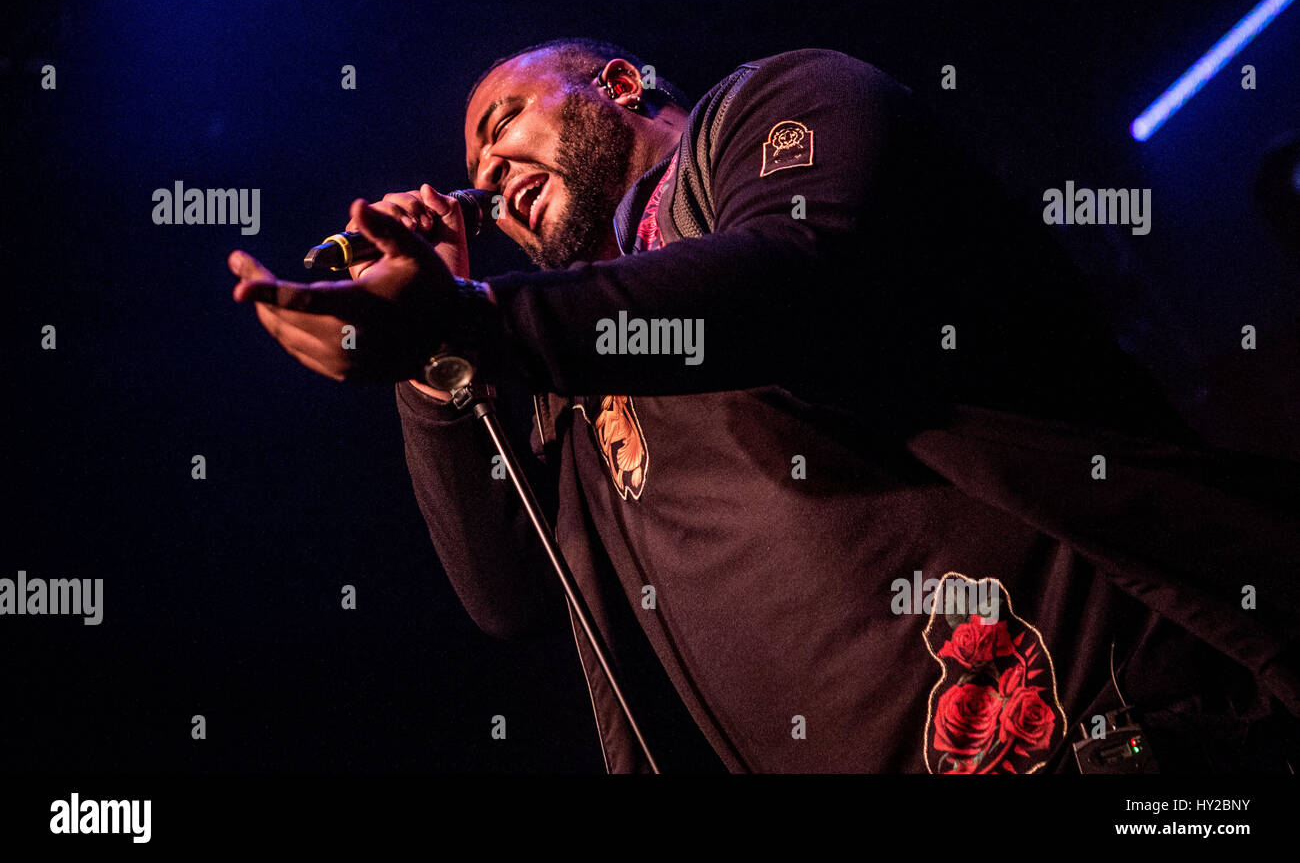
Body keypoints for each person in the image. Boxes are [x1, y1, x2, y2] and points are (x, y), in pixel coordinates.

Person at [229, 39, 1300, 773]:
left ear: (618, 84)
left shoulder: (779, 108)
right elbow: (505, 594)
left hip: (1126, 738)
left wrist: (476, 316)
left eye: (504, 119)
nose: (486, 168)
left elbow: (789, 278)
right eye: (471, 161)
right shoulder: (574, 367)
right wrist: (437, 372)